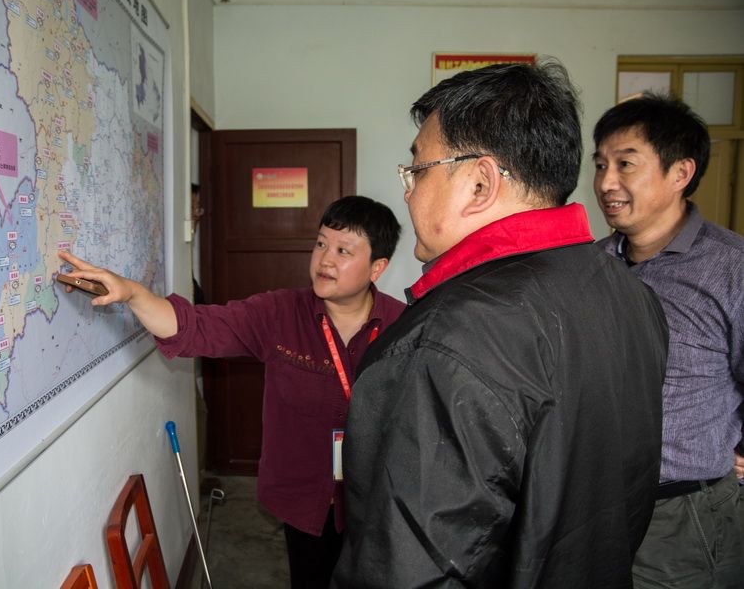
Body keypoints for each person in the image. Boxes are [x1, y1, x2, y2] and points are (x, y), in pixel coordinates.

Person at [332, 61, 669, 588]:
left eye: (416, 170)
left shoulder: (449, 338)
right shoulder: (630, 293)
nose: (407, 193)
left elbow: (413, 570)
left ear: (480, 183)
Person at [59, 195, 404, 589]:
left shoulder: (406, 326)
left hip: (377, 499)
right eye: (321, 243)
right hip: (305, 498)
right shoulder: (279, 313)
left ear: (377, 267)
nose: (325, 260)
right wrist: (134, 294)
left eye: (343, 250)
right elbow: (195, 326)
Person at [592, 93, 744, 588]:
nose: (605, 183)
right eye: (600, 165)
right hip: (591, 506)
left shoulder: (730, 267)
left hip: (682, 514)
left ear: (680, 173)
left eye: (625, 164)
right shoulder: (591, 264)